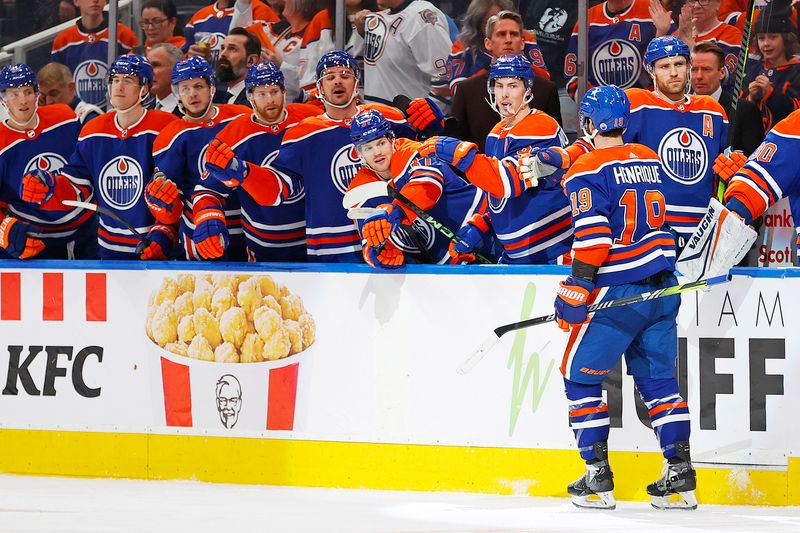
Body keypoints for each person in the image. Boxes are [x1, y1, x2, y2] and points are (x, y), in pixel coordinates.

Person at [552, 84, 695, 511]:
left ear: (589, 124)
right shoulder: (649, 159)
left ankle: (597, 478)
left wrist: (578, 284)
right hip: (663, 288)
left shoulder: (585, 168)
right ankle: (681, 476)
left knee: (579, 376)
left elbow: (594, 237)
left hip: (619, 294)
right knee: (660, 383)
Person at [202, 50, 419, 262]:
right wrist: (243, 172)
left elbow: (418, 165)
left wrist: (430, 126)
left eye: (345, 75)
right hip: (330, 251)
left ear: (356, 82)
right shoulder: (302, 134)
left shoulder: (389, 118)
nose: (338, 82)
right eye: (330, 77)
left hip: (391, 240)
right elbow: (278, 190)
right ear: (319, 87)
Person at [19, 55, 179, 260]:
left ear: (144, 89)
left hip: (152, 245)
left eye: (128, 80)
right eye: (115, 79)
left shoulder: (165, 126)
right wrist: (50, 185)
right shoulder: (93, 130)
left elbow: (171, 191)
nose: (119, 86)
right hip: (107, 250)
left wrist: (166, 233)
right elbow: (77, 183)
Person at [421, 54, 574, 264]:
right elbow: (497, 197)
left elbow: (506, 182)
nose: (504, 94)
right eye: (499, 85)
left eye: (512, 86)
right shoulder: (497, 131)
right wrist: (482, 225)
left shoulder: (540, 127)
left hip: (552, 253)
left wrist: (457, 151)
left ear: (528, 90)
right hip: (516, 255)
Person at [200, 62, 319, 262]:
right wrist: (208, 218)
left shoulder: (309, 119)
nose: (270, 99)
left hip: (312, 242)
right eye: (261, 94)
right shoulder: (231, 136)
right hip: (261, 249)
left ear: (283, 92)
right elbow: (206, 190)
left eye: (274, 91)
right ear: (250, 97)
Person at [348, 109, 487, 267]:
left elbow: (427, 185)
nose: (377, 152)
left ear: (392, 140)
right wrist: (377, 251)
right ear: (360, 154)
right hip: (448, 261)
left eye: (381, 143)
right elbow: (368, 237)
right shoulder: (359, 192)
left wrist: (396, 212)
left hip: (482, 227)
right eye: (368, 148)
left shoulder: (414, 152)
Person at [150, 56, 252, 261]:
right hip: (200, 233)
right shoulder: (169, 136)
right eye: (185, 88)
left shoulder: (241, 117)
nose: (192, 94)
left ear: (211, 88)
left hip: (245, 227)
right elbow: (169, 199)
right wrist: (158, 202)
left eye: (198, 86)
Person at [0, 64, 95, 260]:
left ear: (37, 94)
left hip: (86, 232)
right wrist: (4, 229)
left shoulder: (64, 117)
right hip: (35, 240)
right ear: (3, 99)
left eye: (28, 92)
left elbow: (88, 168)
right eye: (14, 94)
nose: (23, 100)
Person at [450, 10, 562, 152]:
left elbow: (556, 147)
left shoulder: (545, 89)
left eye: (514, 34)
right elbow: (456, 147)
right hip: (480, 171)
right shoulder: (467, 90)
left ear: (522, 43)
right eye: (501, 34)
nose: (508, 40)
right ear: (488, 43)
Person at [362, 0, 453, 110]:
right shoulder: (380, 17)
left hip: (408, 122)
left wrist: (424, 120)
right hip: (378, 118)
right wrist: (361, 31)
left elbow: (445, 84)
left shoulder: (421, 17)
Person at [51, 0, 139, 108]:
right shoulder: (63, 41)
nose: (95, 1)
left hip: (116, 114)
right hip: (76, 117)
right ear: (76, 1)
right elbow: (55, 86)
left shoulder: (124, 36)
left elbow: (136, 81)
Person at [447, 0, 549, 92]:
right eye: (488, 22)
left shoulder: (523, 38)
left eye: (501, 20)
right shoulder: (464, 44)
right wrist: (493, 70)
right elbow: (457, 90)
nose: (496, 27)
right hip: (480, 104)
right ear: (477, 24)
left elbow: (545, 79)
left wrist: (519, 65)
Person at [564, 0, 657, 100]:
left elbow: (669, 66)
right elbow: (573, 76)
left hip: (644, 103)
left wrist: (661, 32)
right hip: (601, 108)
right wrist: (599, 102)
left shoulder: (653, 10)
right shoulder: (588, 18)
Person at [245, 0, 326, 103]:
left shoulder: (318, 35)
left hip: (298, 108)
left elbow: (311, 82)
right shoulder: (279, 28)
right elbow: (237, 37)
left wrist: (281, 65)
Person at [691, 41, 763, 155]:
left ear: (722, 72)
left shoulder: (744, 111)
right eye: (694, 69)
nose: (698, 76)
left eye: (706, 69)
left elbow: (753, 160)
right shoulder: (679, 109)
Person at [744, 9, 800, 132]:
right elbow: (740, 111)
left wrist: (770, 93)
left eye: (773, 37)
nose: (766, 44)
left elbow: (797, 112)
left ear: (786, 39)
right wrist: (752, 99)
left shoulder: (796, 70)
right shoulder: (755, 69)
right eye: (761, 38)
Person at [183, 0, 278, 61]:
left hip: (240, 86)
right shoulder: (199, 16)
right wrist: (190, 56)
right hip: (205, 86)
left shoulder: (261, 11)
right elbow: (184, 56)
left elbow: (272, 56)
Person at [37, 62, 103, 124]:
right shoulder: (42, 119)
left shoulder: (89, 116)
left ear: (71, 87)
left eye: (53, 94)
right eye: (44, 96)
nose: (48, 102)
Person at [213, 28, 262, 107]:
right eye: (222, 48)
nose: (223, 54)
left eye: (232, 49)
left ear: (251, 61)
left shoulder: (255, 102)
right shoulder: (224, 95)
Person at [146, 42, 185, 116]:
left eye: (156, 65)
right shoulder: (142, 110)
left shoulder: (192, 112)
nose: (149, 72)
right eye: (148, 66)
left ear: (177, 69)